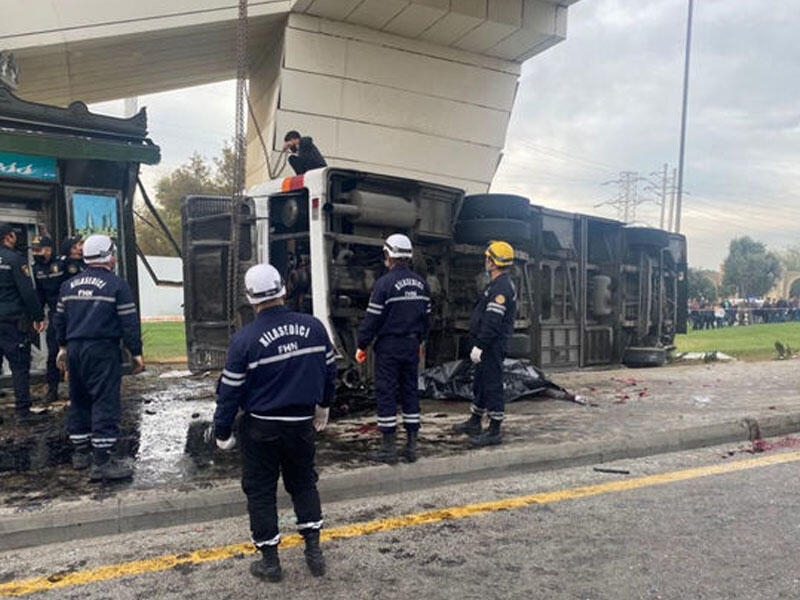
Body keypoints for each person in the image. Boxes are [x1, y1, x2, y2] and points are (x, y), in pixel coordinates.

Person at [211, 263, 335, 583]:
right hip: (300, 425)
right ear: (283, 289)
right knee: (304, 483)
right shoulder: (315, 327)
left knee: (261, 491)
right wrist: (323, 406)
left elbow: (230, 392)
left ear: (251, 298)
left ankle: (270, 562)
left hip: (261, 428)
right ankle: (314, 552)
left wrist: (222, 431)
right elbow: (329, 371)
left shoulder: (244, 339)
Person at [53, 234, 144, 480]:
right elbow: (129, 323)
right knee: (104, 401)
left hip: (74, 349)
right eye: (112, 252)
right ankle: (102, 461)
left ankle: (81, 453)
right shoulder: (117, 285)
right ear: (107, 256)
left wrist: (62, 348)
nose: (114, 257)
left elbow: (58, 320)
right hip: (102, 350)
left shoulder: (68, 286)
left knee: (79, 397)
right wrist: (136, 352)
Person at [355, 234, 430, 464]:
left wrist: (362, 345)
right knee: (409, 391)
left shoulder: (384, 284)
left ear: (388, 255)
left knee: (386, 391)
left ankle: (388, 446)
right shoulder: (422, 284)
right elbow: (427, 319)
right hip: (411, 344)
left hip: (389, 345)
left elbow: (372, 319)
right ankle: (411, 445)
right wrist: (420, 342)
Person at [453, 240, 517, 447]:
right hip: (487, 343)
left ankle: (494, 429)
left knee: (492, 384)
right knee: (480, 381)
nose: (485, 261)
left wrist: (480, 344)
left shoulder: (501, 288)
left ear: (492, 261)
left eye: (487, 258)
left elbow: (492, 321)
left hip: (491, 345)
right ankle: (475, 420)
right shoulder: (496, 284)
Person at [0, 222, 47, 423]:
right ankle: (22, 411)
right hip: (12, 321)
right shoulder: (15, 259)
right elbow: (27, 292)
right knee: (19, 366)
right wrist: (38, 317)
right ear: (9, 237)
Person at [31, 235, 65, 403]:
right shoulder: (36, 268)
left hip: (70, 312)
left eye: (39, 249)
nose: (36, 253)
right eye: (34, 250)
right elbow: (40, 294)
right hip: (55, 314)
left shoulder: (62, 264)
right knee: (53, 352)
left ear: (49, 250)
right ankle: (52, 389)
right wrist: (38, 316)